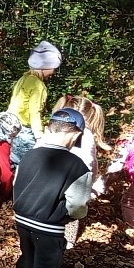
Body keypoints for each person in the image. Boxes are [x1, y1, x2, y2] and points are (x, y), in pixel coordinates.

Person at [9, 107, 95, 268]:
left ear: (50, 128)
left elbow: (17, 185)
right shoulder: (77, 166)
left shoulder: (29, 155)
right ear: (76, 134)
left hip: (22, 219)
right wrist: (69, 216)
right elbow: (78, 205)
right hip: (49, 225)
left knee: (28, 258)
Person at [52, 94, 110, 247]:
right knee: (72, 212)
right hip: (74, 180)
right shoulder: (87, 135)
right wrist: (90, 182)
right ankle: (67, 244)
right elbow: (91, 163)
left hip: (52, 176)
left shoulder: (56, 128)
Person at [7, 40, 61, 139]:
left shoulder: (25, 77)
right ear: (45, 66)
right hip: (23, 128)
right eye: (54, 68)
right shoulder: (38, 85)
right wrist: (39, 135)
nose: (54, 73)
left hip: (10, 123)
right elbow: (35, 112)